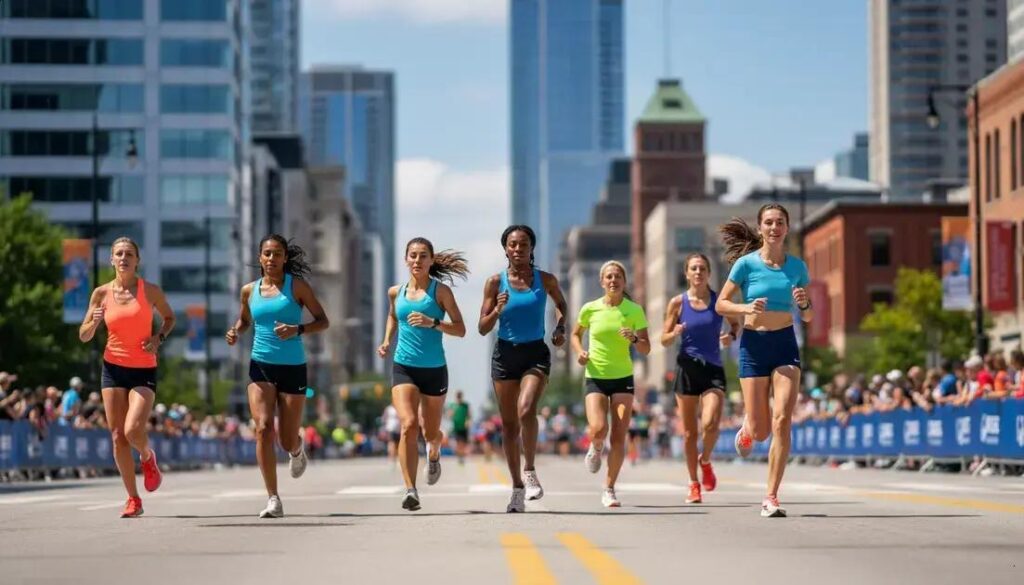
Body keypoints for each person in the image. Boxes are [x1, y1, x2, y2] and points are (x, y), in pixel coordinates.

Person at [715, 204, 812, 518]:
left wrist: (805, 303)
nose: (774, 227)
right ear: (760, 229)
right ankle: (749, 425)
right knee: (760, 431)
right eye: (769, 222)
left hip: (785, 343)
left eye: (780, 222)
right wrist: (746, 310)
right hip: (754, 345)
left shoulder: (797, 267)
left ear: (787, 228)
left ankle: (771, 495)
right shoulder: (746, 265)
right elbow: (721, 304)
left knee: (783, 419)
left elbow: (808, 315)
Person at [225, 234, 329, 519]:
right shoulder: (249, 291)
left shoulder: (297, 288)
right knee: (261, 428)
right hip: (261, 365)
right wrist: (236, 331)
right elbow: (245, 320)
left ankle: (296, 449)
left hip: (293, 366)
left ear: (285, 258)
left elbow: (323, 321)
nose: (272, 259)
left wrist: (298, 330)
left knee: (285, 439)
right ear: (260, 257)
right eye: (267, 254)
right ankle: (273, 498)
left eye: (277, 254)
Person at [78, 237, 175, 518]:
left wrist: (159, 338)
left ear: (137, 261)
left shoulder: (150, 291)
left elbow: (170, 319)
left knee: (133, 430)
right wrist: (94, 322)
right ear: (111, 259)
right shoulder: (100, 294)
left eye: (129, 254)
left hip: (143, 368)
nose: (123, 258)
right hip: (113, 368)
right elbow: (83, 336)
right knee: (118, 436)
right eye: (118, 254)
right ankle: (133, 499)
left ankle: (147, 456)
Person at [478, 225, 568, 512]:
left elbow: (562, 305)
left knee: (526, 409)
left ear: (532, 248)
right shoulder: (495, 283)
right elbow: (482, 328)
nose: (518, 249)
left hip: (535, 353)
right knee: (508, 425)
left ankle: (529, 470)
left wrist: (560, 328)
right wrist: (497, 310)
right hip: (505, 355)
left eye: (524, 244)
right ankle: (516, 487)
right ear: (505, 248)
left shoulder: (546, 279)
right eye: (513, 244)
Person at [377, 238, 468, 511]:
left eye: (423, 256)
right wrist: (385, 340)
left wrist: (434, 323)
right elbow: (394, 315)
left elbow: (461, 329)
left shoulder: (441, 293)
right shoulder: (396, 292)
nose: (417, 260)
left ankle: (435, 449)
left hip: (434, 370)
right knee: (408, 425)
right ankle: (411, 490)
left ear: (431, 260)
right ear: (406, 259)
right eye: (413, 255)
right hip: (403, 366)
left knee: (430, 432)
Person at [661, 253, 740, 504]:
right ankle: (693, 483)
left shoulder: (719, 301)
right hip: (686, 369)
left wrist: (731, 336)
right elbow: (662, 339)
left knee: (711, 424)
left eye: (702, 268)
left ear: (708, 273)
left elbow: (736, 324)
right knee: (688, 433)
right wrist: (673, 332)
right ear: (686, 273)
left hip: (713, 369)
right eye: (693, 268)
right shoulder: (677, 303)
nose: (698, 272)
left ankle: (705, 460)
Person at [571, 260, 650, 508]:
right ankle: (595, 447)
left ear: (624, 282)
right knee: (597, 428)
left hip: (622, 378)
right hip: (595, 375)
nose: (613, 280)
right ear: (602, 282)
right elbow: (575, 334)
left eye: (618, 277)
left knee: (618, 436)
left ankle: (609, 488)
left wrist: (635, 338)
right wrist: (579, 352)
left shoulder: (634, 310)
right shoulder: (590, 309)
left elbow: (646, 348)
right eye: (609, 277)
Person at [449, 391, 471, 465]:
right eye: (458, 396)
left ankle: (461, 456)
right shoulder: (452, 405)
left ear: (462, 396)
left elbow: (469, 415)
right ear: (456, 397)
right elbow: (449, 415)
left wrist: (468, 421)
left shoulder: (465, 405)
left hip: (464, 427)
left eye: (460, 396)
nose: (459, 397)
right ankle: (460, 457)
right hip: (456, 427)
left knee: (463, 443)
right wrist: (451, 413)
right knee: (458, 443)